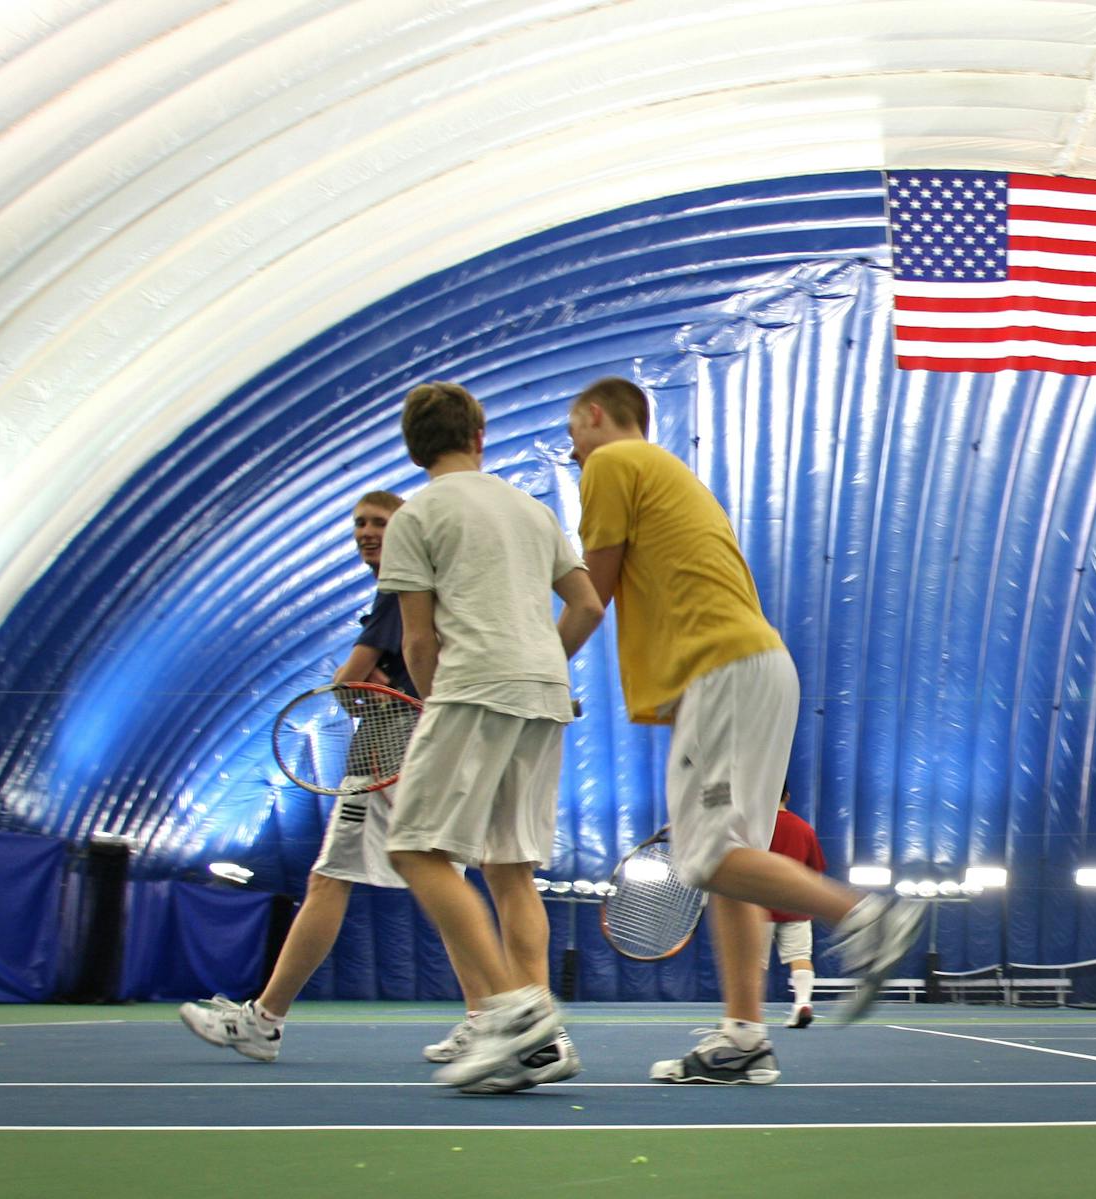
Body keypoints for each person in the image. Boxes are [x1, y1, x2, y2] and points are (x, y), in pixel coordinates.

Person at [567, 375, 923, 1086]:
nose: (573, 447)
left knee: (703, 858)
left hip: (724, 670)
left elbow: (589, 595)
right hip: (754, 667)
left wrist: (535, 669)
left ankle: (864, 914)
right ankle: (744, 1038)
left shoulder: (611, 462)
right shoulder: (667, 475)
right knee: (730, 864)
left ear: (595, 414)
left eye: (574, 429)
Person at [177, 490, 493, 1062]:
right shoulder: (426, 587)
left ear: (408, 533)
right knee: (443, 881)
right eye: (360, 524)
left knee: (330, 879)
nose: (368, 532)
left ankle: (264, 1020)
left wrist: (361, 691)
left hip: (390, 749)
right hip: (438, 747)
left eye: (381, 523)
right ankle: (487, 1018)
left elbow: (350, 679)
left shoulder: (403, 589)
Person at [378, 381, 605, 1093]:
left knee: (415, 848)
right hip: (543, 693)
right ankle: (542, 1045)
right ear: (478, 436)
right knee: (510, 868)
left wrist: (434, 701)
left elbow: (418, 641)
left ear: (415, 448)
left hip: (472, 686)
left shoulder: (416, 516)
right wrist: (539, 663)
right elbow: (589, 603)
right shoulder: (532, 508)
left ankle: (512, 1009)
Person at [767, 790, 827, 1029]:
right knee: (801, 958)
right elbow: (816, 872)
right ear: (788, 796)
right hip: (797, 907)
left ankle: (745, 1019)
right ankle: (802, 1003)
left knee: (752, 962)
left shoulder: (754, 828)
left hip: (757, 907)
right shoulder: (804, 829)